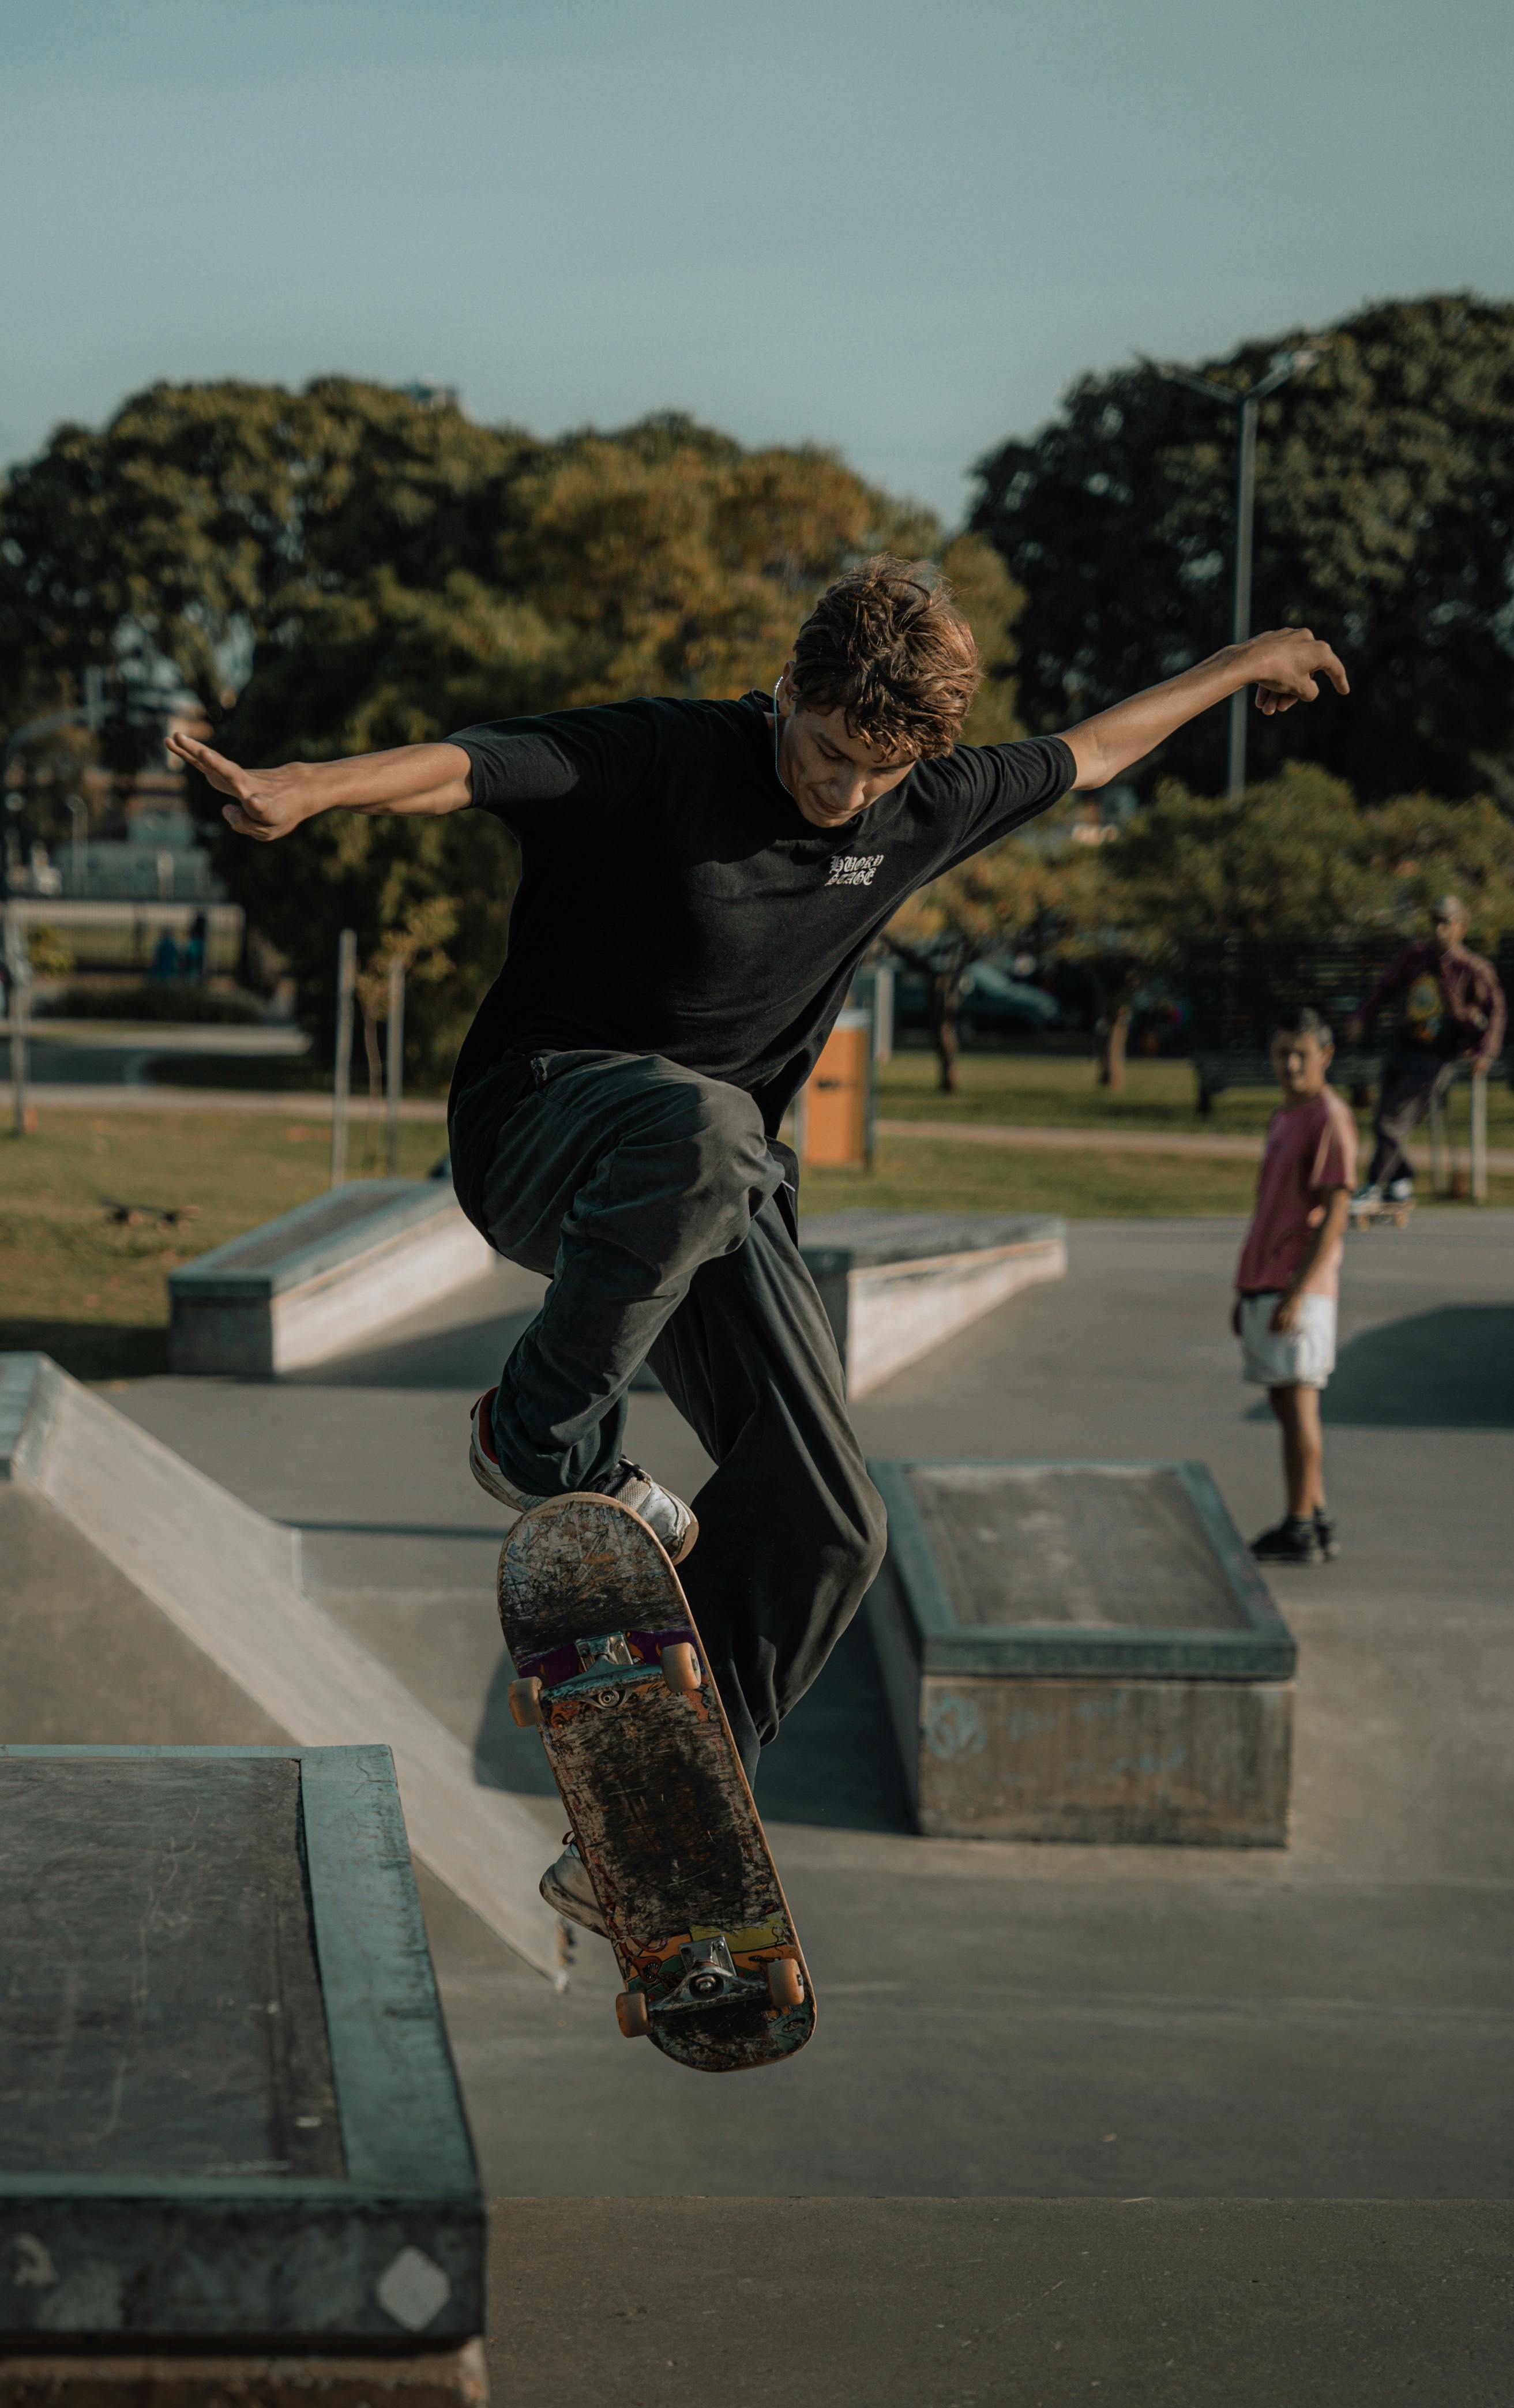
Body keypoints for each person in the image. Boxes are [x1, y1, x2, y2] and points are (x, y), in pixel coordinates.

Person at [170, 562, 1348, 1937]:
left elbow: (1089, 753)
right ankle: (538, 1440)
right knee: (717, 1128)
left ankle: (645, 1818)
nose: (844, 790)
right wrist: (308, 783)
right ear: (789, 687)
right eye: (829, 751)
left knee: (833, 1522)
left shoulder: (919, 799)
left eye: (877, 770)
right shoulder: (673, 753)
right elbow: (476, 767)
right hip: (545, 1128)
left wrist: (1237, 659)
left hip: (711, 1198)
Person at [1233, 1009, 1358, 1565]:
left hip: (1299, 1287)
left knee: (1300, 1401)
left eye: (1301, 1054)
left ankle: (1298, 1525)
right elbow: (1267, 1209)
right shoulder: (1285, 1116)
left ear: (1324, 1057)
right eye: (1281, 1052)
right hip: (1267, 1282)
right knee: (1284, 1402)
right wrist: (1248, 1289)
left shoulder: (1328, 1116)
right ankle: (1317, 1515)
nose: (1289, 1064)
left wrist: (1294, 1292)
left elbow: (1335, 1210)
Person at [1346, 896, 1505, 1207]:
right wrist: (1361, 1016)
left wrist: (1485, 1051)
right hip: (1403, 1046)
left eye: (1446, 922)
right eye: (1435, 922)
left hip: (1435, 1056)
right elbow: (1384, 987)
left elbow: (1496, 1009)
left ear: (1461, 927)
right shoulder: (1415, 957)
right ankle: (1400, 1179)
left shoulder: (1472, 968)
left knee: (1391, 1123)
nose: (1438, 929)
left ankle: (1374, 1186)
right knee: (1381, 1119)